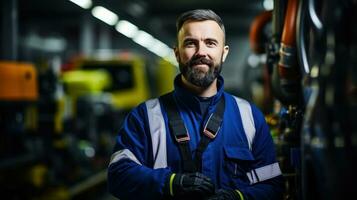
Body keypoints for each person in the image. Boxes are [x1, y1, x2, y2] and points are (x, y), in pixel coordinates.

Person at [107, 9, 284, 200]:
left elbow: (272, 185)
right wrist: (171, 183)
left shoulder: (250, 116)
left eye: (210, 43)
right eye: (191, 43)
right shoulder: (145, 117)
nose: (201, 52)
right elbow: (118, 174)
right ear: (177, 53)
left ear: (223, 53)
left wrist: (239, 197)